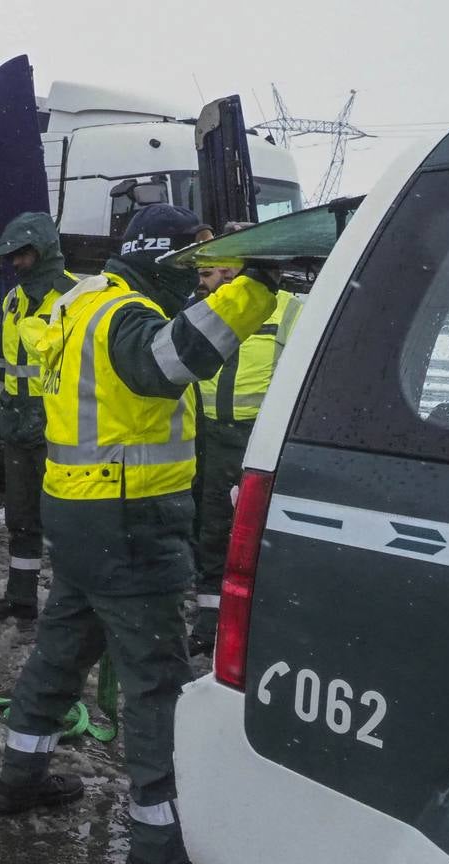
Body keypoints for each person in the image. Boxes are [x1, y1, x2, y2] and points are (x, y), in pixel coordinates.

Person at [0, 204, 278, 864]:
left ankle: (17, 780)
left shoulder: (85, 301)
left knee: (61, 649)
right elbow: (168, 362)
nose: (199, 284)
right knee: (155, 683)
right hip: (127, 519)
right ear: (160, 259)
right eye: (192, 267)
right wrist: (254, 288)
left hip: (79, 512)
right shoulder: (125, 317)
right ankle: (159, 845)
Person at [190, 222, 291, 655]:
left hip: (258, 438)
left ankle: (253, 621)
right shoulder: (205, 304)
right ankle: (208, 620)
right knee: (210, 528)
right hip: (207, 433)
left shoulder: (286, 308)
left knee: (253, 533)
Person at [0, 212, 78, 622]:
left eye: (22, 255)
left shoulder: (74, 298)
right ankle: (21, 598)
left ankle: (69, 606)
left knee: (66, 523)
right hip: (17, 424)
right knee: (21, 518)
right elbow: (1, 359)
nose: (15, 264)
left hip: (60, 430)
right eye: (12, 256)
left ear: (43, 251)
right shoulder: (13, 300)